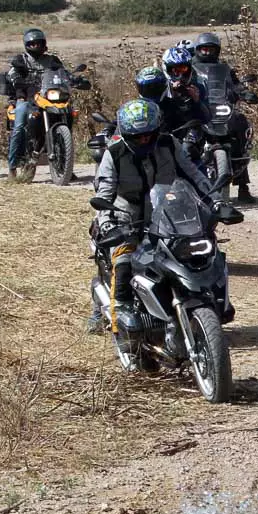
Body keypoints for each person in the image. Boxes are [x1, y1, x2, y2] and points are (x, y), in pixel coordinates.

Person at [92, 99, 236, 338]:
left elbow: (193, 174)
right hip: (127, 217)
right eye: (137, 136)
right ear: (126, 134)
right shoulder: (114, 152)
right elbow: (104, 192)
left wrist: (216, 201)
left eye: (149, 134)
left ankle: (210, 303)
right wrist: (107, 221)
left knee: (199, 251)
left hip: (168, 213)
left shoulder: (169, 144)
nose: (144, 140)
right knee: (124, 259)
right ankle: (123, 320)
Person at [191, 31, 258, 202]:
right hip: (200, 108)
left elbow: (235, 85)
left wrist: (245, 94)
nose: (207, 53)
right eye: (204, 49)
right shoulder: (191, 68)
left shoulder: (225, 69)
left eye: (211, 49)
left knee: (241, 127)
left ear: (217, 51)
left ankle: (243, 186)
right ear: (197, 50)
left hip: (222, 107)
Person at [5, 28, 67, 176]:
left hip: (48, 97)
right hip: (27, 98)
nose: (36, 46)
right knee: (19, 126)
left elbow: (64, 73)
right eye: (32, 44)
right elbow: (12, 73)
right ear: (26, 45)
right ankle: (12, 165)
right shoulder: (21, 59)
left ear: (44, 44)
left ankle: (65, 165)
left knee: (67, 114)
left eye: (38, 43)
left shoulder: (52, 60)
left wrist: (74, 79)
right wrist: (18, 81)